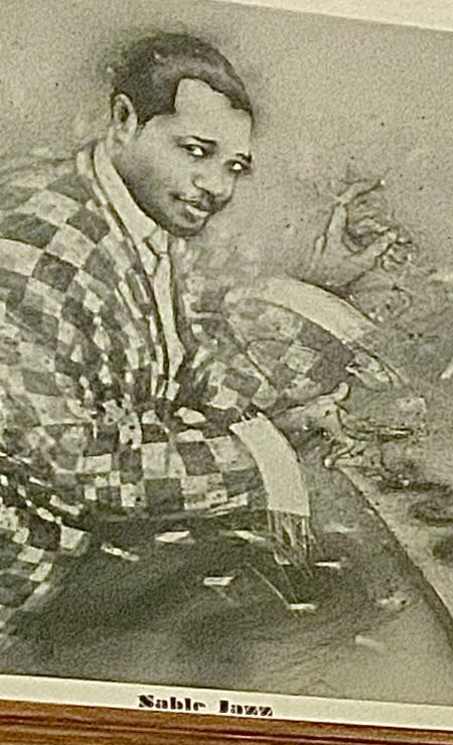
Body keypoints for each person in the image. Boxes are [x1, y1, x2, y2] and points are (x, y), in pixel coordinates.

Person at [0, 34, 401, 636]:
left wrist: (320, 291)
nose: (218, 186)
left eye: (233, 166)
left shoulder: (139, 216)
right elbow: (78, 468)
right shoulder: (30, 240)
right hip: (28, 597)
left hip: (89, 560)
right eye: (195, 150)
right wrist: (265, 451)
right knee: (343, 616)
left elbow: (191, 377)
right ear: (124, 121)